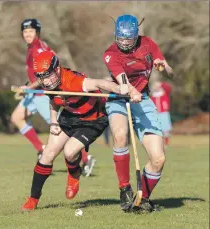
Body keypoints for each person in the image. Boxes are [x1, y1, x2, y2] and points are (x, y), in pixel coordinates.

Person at [21, 50, 125, 211]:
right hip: (69, 116)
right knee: (47, 154)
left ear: (57, 69)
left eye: (48, 76)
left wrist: (121, 89)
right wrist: (54, 122)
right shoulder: (49, 83)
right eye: (41, 77)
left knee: (69, 152)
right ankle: (33, 199)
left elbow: (98, 83)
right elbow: (54, 100)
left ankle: (74, 175)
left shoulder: (74, 81)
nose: (46, 81)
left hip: (93, 120)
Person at [102, 14, 173, 213]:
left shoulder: (148, 44)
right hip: (119, 97)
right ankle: (124, 188)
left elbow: (168, 69)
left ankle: (141, 199)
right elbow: (123, 81)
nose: (124, 43)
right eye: (120, 38)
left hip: (143, 100)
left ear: (136, 35)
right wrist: (131, 91)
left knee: (158, 159)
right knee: (120, 135)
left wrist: (165, 67)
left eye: (128, 39)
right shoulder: (110, 54)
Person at [10, 19, 95, 176]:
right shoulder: (32, 47)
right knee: (16, 117)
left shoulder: (38, 48)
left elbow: (47, 71)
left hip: (42, 94)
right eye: (25, 31)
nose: (27, 34)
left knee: (60, 131)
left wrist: (30, 87)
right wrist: (28, 86)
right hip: (33, 93)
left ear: (38, 32)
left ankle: (86, 158)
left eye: (31, 31)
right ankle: (41, 149)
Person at [150, 81, 173, 146]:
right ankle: (158, 143)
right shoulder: (153, 96)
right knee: (157, 129)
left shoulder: (164, 93)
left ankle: (166, 143)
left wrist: (161, 84)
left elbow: (168, 87)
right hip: (156, 114)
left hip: (164, 113)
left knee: (165, 129)